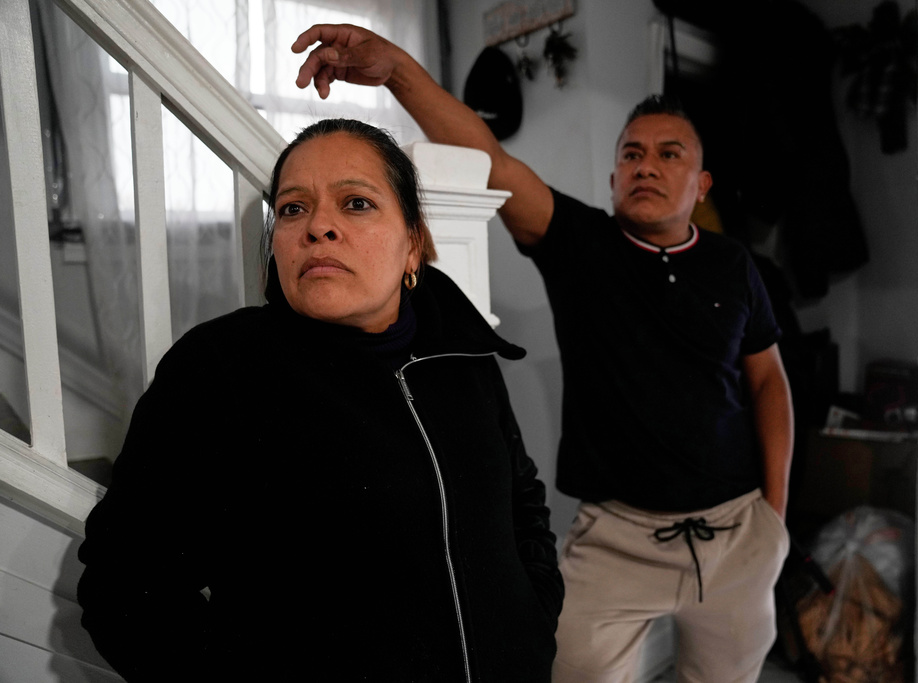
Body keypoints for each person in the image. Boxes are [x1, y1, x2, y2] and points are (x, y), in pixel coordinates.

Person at [291, 25, 795, 683]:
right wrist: (395, 71)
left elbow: (768, 382)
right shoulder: (581, 243)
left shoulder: (734, 264)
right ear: (613, 176)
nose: (647, 165)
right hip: (616, 541)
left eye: (669, 154)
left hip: (735, 534)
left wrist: (774, 519)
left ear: (701, 184)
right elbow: (491, 162)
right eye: (632, 153)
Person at [76, 118, 563, 682]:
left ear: (412, 245)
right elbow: (123, 588)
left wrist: (533, 623)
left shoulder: (463, 352)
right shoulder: (222, 371)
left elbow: (521, 503)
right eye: (292, 209)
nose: (318, 227)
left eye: (356, 203)